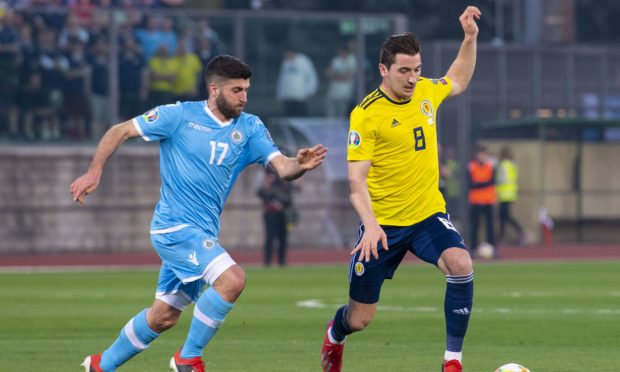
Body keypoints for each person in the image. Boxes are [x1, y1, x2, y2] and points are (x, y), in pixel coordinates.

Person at [72, 55, 328, 372]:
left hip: (203, 233)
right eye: (237, 90)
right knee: (232, 281)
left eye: (246, 89)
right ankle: (187, 358)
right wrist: (93, 173)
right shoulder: (178, 116)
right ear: (214, 88)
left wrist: (299, 165)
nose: (244, 98)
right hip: (174, 229)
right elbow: (119, 131)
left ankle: (101, 365)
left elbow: (283, 167)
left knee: (163, 316)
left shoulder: (250, 127)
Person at [320, 7, 481, 372]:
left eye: (417, 69)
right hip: (382, 226)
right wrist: (371, 224)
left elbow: (458, 78)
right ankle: (335, 334)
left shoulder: (426, 92)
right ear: (383, 70)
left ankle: (452, 361)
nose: (412, 79)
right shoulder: (366, 114)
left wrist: (469, 38)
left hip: (426, 215)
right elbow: (355, 181)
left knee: (461, 263)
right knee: (359, 319)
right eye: (404, 71)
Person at [256, 167, 294, 267]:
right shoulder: (267, 177)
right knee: (270, 237)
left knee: (283, 237)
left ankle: (282, 261)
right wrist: (266, 188)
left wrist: (281, 203)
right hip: (270, 213)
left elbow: (288, 198)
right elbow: (260, 193)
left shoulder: (284, 181)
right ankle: (267, 261)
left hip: (282, 213)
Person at [467, 145, 497, 257]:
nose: (481, 156)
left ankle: (492, 249)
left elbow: (491, 182)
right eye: (480, 154)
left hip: (488, 200)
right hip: (475, 200)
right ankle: (473, 249)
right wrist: (482, 183)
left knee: (490, 227)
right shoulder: (471, 166)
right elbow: (470, 184)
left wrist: (478, 183)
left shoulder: (490, 166)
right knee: (475, 226)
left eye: (484, 154)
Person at [276, 44, 318, 117]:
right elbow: (282, 80)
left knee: (301, 119)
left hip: (300, 98)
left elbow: (312, 78)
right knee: (289, 120)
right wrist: (280, 95)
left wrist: (310, 92)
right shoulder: (285, 63)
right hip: (288, 98)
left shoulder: (304, 61)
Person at [496, 145, 525, 246]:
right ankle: (501, 237)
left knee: (505, 216)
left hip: (504, 194)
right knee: (503, 217)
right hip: (511, 194)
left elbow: (501, 180)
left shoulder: (503, 165)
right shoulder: (512, 164)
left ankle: (519, 230)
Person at [325, 44, 357, 118]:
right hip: (333, 92)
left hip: (345, 93)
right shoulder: (336, 60)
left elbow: (347, 77)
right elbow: (328, 74)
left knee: (341, 116)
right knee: (330, 115)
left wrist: (335, 76)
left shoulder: (352, 60)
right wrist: (340, 76)